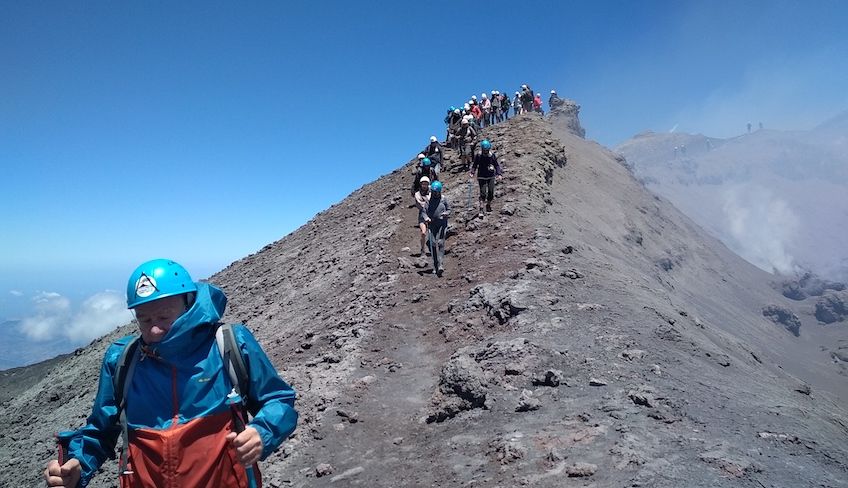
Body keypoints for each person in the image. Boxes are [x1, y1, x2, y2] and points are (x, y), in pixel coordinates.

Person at [44, 259, 298, 488]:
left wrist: (261, 432)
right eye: (144, 319)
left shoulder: (229, 344)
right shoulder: (122, 360)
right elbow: (101, 430)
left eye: (164, 316)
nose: (154, 330)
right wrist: (79, 465)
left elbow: (278, 399)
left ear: (188, 305)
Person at [470, 139, 503, 216]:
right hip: (481, 176)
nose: (485, 151)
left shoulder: (492, 155)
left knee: (491, 192)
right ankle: (481, 209)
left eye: (486, 150)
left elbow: (496, 165)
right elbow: (474, 165)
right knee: (483, 193)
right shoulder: (478, 155)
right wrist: (472, 172)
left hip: (491, 176)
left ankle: (488, 204)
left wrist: (499, 174)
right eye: (484, 150)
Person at [425, 181, 450, 276]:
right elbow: (424, 211)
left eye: (436, 192)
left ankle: (440, 265)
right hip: (432, 224)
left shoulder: (443, 199)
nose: (434, 193)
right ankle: (435, 264)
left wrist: (446, 213)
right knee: (432, 244)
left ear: (439, 191)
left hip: (442, 224)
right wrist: (426, 217)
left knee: (440, 243)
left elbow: (449, 209)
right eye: (433, 191)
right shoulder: (428, 200)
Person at [414, 176, 432, 256]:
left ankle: (432, 246)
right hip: (422, 215)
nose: (424, 185)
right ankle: (422, 249)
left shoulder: (432, 192)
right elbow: (421, 205)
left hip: (431, 215)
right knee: (423, 233)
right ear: (421, 184)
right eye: (423, 184)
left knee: (432, 233)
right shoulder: (417, 194)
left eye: (426, 184)